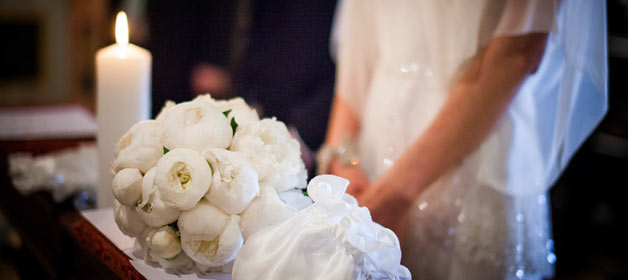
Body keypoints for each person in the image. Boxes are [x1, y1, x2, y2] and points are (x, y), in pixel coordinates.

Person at [321, 0, 608, 279]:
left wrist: (394, 196)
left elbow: (517, 52)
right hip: (370, 152)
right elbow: (357, 43)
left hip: (473, 153)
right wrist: (340, 157)